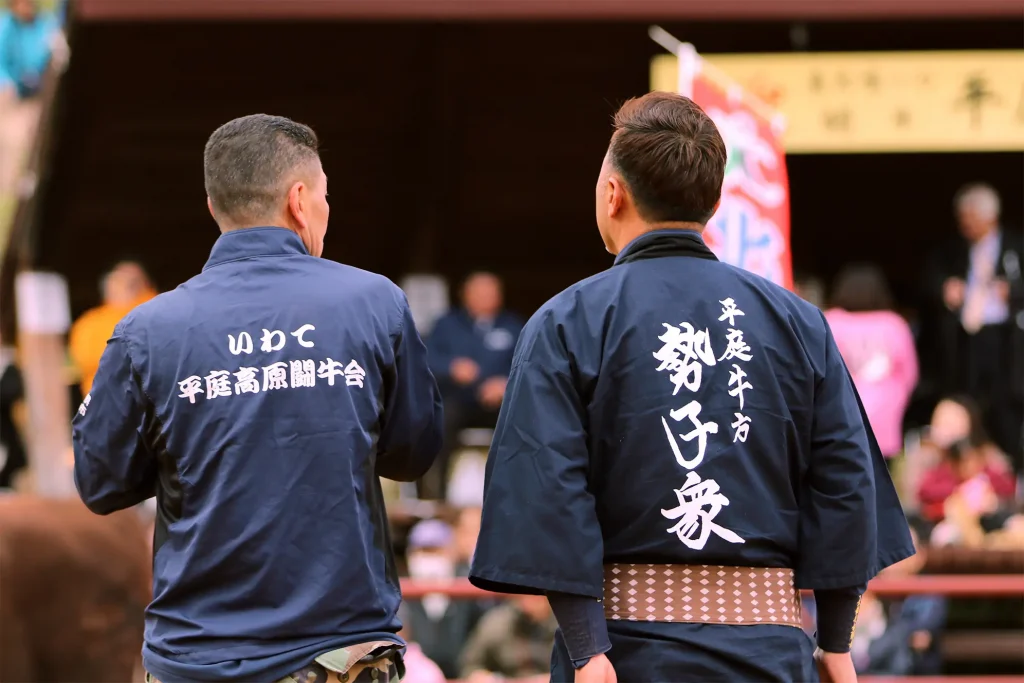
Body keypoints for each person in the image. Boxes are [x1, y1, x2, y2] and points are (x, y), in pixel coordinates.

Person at [469, 92, 914, 683]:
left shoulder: (568, 320)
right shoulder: (797, 321)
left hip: (622, 656)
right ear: (714, 200)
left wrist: (586, 648)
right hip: (770, 653)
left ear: (612, 194)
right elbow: (843, 479)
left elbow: (548, 486)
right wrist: (834, 640)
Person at [71, 114, 443, 683]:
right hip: (340, 655)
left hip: (196, 660)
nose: (325, 210)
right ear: (299, 200)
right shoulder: (374, 304)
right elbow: (412, 452)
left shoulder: (146, 329)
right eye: (324, 197)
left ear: (214, 206)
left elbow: (101, 483)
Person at [922, 183, 1024, 470]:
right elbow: (928, 280)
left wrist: (1013, 292)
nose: (965, 224)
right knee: (965, 408)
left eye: (971, 218)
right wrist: (945, 289)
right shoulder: (952, 249)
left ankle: (1007, 477)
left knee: (1005, 413)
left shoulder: (1016, 246)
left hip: (1006, 343)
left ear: (990, 216)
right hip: (965, 342)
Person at [423, 271, 523, 499]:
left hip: (498, 404)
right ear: (464, 294)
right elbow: (425, 360)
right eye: (478, 292)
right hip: (457, 401)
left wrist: (505, 383)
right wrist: (451, 367)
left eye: (490, 292)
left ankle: (514, 494)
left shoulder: (514, 326)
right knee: (437, 420)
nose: (484, 297)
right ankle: (436, 494)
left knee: (523, 420)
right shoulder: (446, 324)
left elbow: (529, 364)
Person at [824, 264, 918, 459]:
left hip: (841, 413)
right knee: (882, 477)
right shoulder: (894, 324)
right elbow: (910, 374)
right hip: (886, 415)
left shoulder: (831, 321)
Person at [68, 260, 157, 395]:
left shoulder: (155, 310)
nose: (124, 285)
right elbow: (83, 360)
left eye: (133, 281)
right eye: (119, 280)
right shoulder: (90, 322)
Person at [0, 0, 61, 194]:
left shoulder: (44, 24)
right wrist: (7, 81)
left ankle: (35, 178)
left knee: (38, 136)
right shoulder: (6, 27)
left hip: (39, 90)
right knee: (14, 140)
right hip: (15, 93)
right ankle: (9, 184)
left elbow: (53, 47)